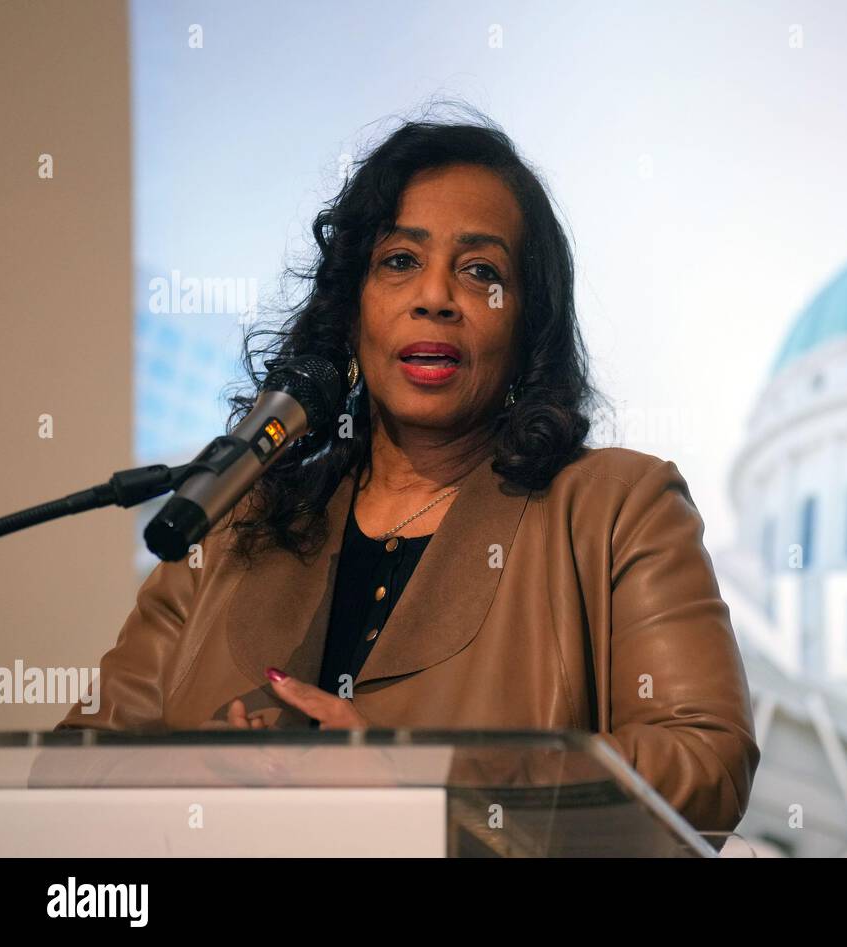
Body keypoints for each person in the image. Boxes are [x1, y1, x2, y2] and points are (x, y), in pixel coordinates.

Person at [55, 110, 759, 834]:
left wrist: (430, 777)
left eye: (480, 271)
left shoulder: (618, 508)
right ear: (353, 308)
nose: (434, 296)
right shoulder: (236, 520)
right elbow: (72, 766)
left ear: (525, 326)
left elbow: (704, 763)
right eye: (398, 261)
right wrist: (175, 780)